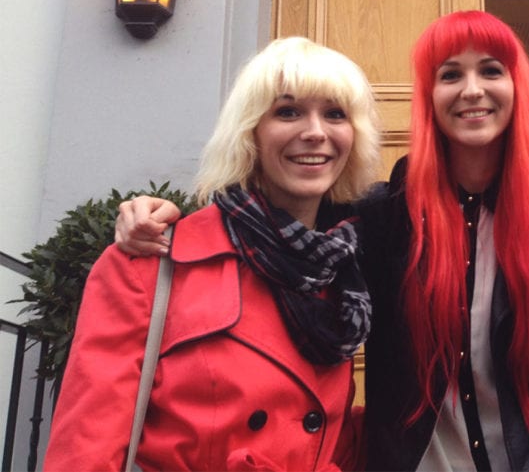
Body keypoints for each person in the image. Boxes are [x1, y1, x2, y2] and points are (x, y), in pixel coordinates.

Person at [116, 11, 529, 471]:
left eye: (491, 70)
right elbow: (270, 215)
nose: (471, 90)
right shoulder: (383, 214)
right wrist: (159, 214)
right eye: (450, 75)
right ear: (429, 95)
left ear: (516, 86)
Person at [45, 37, 380, 472]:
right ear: (249, 132)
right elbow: (86, 447)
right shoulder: (152, 263)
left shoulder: (345, 271)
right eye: (287, 112)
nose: (315, 132)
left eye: (335, 114)